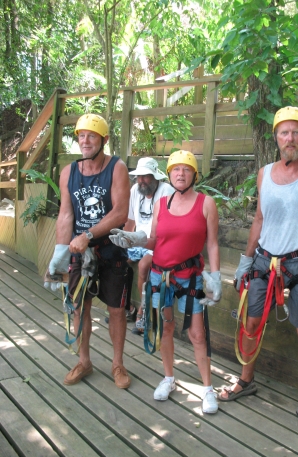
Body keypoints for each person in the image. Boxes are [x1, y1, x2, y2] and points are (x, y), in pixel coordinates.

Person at [218, 106, 298, 435]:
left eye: (295, 132)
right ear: (275, 137)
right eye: (283, 132)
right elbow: (260, 220)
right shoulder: (264, 174)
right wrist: (246, 260)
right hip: (265, 261)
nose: (289, 138)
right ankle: (245, 381)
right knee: (251, 322)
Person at [110, 150, 222, 414]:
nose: (180, 174)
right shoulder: (162, 204)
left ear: (194, 174)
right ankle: (169, 378)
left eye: (186, 169)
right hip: (161, 276)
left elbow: (213, 244)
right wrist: (133, 239)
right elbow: (155, 241)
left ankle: (207, 388)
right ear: (169, 174)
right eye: (175, 169)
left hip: (189, 277)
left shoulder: (206, 204)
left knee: (197, 334)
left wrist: (215, 276)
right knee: (167, 329)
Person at [46, 113, 132, 389]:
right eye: (81, 135)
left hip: (109, 248)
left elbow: (120, 212)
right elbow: (65, 215)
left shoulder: (116, 168)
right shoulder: (68, 173)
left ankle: (118, 364)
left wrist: (88, 235)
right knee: (78, 307)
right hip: (79, 251)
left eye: (91, 136)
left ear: (104, 140)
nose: (85, 140)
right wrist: (59, 255)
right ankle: (84, 361)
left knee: (117, 309)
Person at [124, 157, 174, 334]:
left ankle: (144, 313)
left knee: (144, 266)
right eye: (139, 176)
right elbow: (130, 221)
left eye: (146, 176)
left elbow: (169, 227)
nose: (141, 180)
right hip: (138, 241)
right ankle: (126, 308)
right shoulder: (135, 191)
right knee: (116, 260)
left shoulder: (167, 191)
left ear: (155, 177)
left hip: (159, 243)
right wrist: (124, 244)